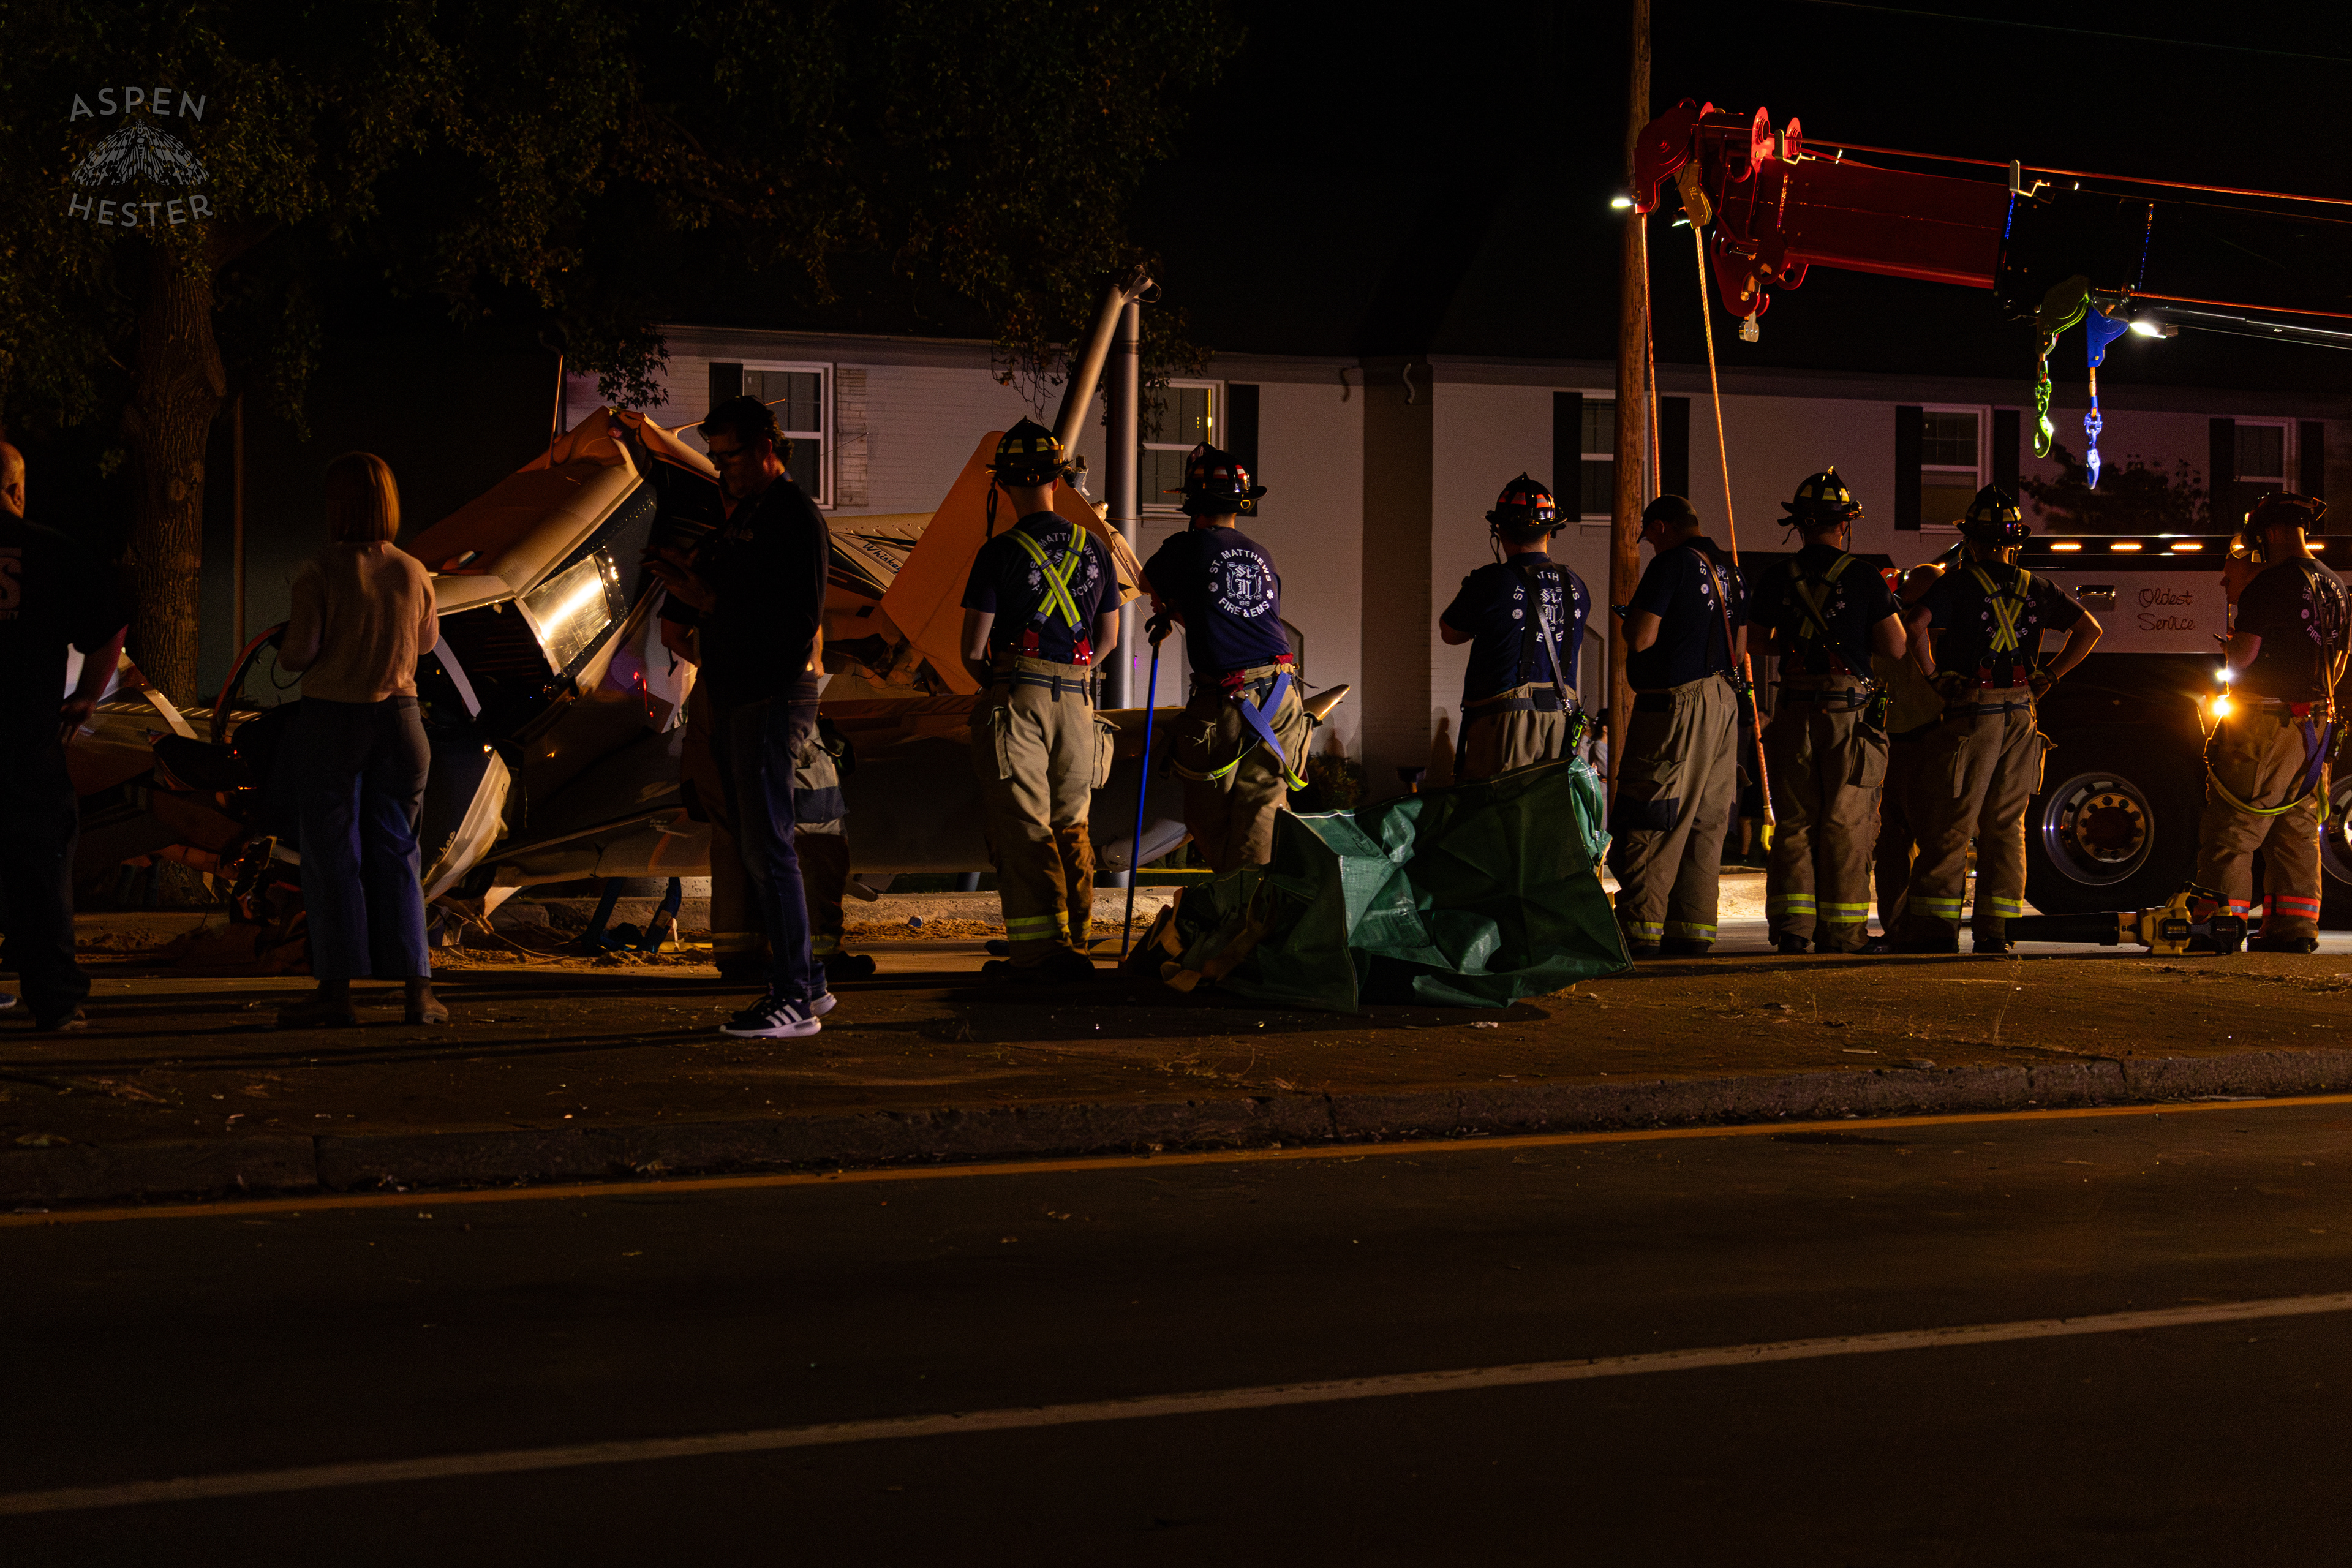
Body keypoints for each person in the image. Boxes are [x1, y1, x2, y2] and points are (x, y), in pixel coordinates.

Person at [648, 395, 832, 1037]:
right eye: (716, 457)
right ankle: (807, 982)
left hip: (768, 693)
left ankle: (793, 998)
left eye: (730, 457)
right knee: (761, 843)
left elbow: (795, 620)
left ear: (764, 449)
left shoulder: (791, 516)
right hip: (742, 691)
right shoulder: (749, 517)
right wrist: (691, 582)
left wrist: (710, 601)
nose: (722, 469)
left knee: (766, 846)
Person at [276, 452, 445, 1028]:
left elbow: (299, 654)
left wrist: (294, 645)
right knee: (399, 853)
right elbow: (426, 644)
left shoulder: (318, 570)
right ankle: (419, 992)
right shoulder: (414, 570)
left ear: (337, 505)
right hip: (401, 720)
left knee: (333, 859)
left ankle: (336, 993)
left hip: (333, 721)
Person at [1898, 486, 2100, 955]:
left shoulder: (1955, 583)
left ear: (1971, 540)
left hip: (1973, 714)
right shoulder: (2038, 587)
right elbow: (2090, 630)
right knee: (2007, 826)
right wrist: (2050, 675)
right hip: (2022, 713)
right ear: (2014, 542)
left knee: (1954, 821)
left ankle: (1934, 930)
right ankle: (1997, 930)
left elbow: (1914, 626)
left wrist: (1934, 676)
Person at [959, 419, 1120, 981]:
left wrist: (1003, 682)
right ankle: (1075, 942)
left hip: (1018, 696)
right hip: (1079, 702)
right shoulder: (1095, 547)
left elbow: (971, 650)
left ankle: (1038, 953)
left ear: (1002, 485)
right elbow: (1108, 640)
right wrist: (1072, 677)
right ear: (1059, 480)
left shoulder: (998, 552)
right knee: (1071, 825)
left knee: (1025, 825)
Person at [1745, 469, 1905, 954]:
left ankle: (1794, 930)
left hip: (1794, 708)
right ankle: (1843, 932)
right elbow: (1896, 646)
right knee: (1846, 823)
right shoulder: (1864, 576)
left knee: (1795, 822)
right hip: (1848, 715)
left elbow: (1755, 643)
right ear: (1845, 524)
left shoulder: (1777, 576)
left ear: (1798, 524)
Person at [0, 440, 127, 1032]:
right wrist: (86, 696)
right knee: (43, 870)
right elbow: (109, 625)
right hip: (29, 736)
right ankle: (54, 999)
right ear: (18, 490)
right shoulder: (53, 550)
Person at [2190, 492, 2348, 952]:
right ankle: (2294, 930)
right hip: (2316, 725)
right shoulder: (2335, 583)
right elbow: (2338, 663)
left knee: (2233, 829)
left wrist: (2229, 648)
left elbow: (2243, 658)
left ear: (2272, 533)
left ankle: (2219, 927)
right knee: (2296, 829)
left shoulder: (2269, 584)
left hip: (2265, 723)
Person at [1142, 443, 1306, 872]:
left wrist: (1172, 610)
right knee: (1263, 810)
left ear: (1191, 502)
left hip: (1229, 699)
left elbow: (1145, 582)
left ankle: (1243, 898)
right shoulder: (1260, 554)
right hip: (1282, 693)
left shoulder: (1184, 548)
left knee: (1210, 816)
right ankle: (1259, 898)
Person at [1607, 494, 1747, 957]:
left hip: (1676, 704)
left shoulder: (1670, 564)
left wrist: (1631, 622)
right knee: (1706, 821)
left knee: (1655, 811)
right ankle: (1692, 929)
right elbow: (1740, 648)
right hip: (1724, 701)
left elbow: (1642, 638)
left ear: (1661, 527)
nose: (1649, 544)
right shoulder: (1730, 570)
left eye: (1649, 536)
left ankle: (1640, 929)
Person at [1439, 474, 1591, 781]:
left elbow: (1450, 633)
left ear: (1500, 530)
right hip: (1562, 719)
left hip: (1505, 721)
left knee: (1498, 806)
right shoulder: (1576, 584)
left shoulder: (1492, 580)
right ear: (1550, 533)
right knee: (1547, 805)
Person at [1866, 556, 1951, 952]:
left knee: (1893, 848)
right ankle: (1924, 928)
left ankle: (1900, 928)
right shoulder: (1937, 630)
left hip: (1892, 747)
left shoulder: (1886, 628)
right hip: (1926, 746)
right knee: (1931, 842)